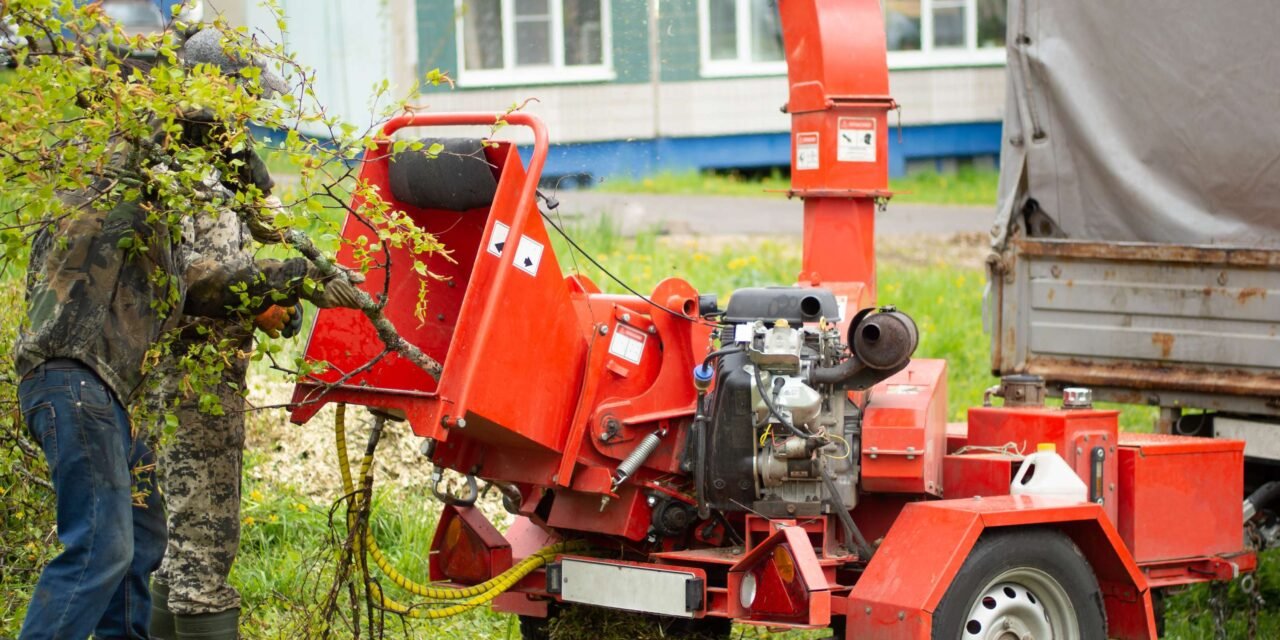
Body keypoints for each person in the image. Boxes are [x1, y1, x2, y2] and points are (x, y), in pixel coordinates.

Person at [13, 28, 361, 640]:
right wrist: (294, 277)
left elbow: (189, 280)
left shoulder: (156, 169)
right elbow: (204, 279)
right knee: (100, 551)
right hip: (81, 374)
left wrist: (285, 280)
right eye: (238, 107)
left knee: (141, 536)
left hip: (110, 384)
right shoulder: (148, 162)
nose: (243, 127)